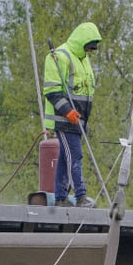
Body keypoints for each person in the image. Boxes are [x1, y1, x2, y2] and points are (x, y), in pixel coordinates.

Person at [43, 22, 102, 207]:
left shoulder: (83, 59)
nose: (89, 51)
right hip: (64, 119)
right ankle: (81, 197)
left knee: (64, 157)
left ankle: (61, 198)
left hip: (79, 121)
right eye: (88, 47)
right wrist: (67, 111)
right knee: (74, 156)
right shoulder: (59, 57)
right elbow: (52, 92)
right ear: (81, 42)